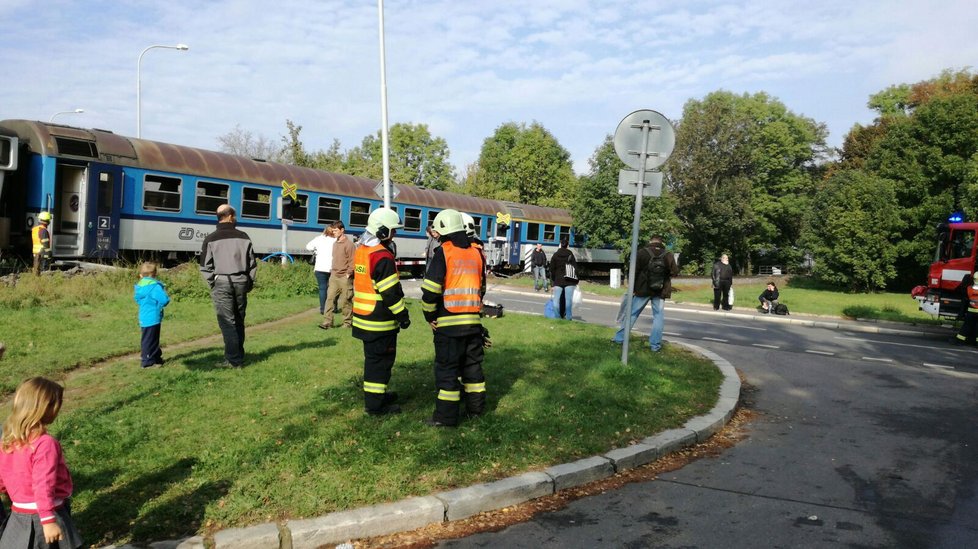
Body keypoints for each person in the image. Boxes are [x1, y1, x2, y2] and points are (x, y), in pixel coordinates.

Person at [0, 377, 84, 548]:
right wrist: (48, 520)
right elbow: (43, 483)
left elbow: (3, 476)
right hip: (47, 515)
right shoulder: (44, 443)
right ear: (46, 408)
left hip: (18, 515)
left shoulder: (8, 440)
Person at [421, 209, 487, 427]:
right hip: (473, 324)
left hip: (448, 325)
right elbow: (481, 288)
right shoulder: (477, 253)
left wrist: (429, 315)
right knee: (473, 369)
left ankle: (445, 418)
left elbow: (431, 290)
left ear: (442, 230)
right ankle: (475, 412)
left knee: (447, 371)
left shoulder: (444, 252)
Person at [352, 207, 411, 415]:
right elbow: (390, 293)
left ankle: (377, 396)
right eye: (393, 231)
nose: (395, 235)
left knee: (374, 361)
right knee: (380, 364)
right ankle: (376, 406)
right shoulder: (382, 256)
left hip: (362, 317)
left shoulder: (362, 250)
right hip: (379, 322)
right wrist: (403, 316)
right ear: (383, 231)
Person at [199, 204, 258, 368]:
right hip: (241, 282)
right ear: (231, 216)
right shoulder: (244, 237)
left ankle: (233, 360)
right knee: (239, 320)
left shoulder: (210, 238)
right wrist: (249, 282)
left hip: (222, 282)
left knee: (227, 322)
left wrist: (213, 282)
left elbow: (205, 266)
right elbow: (252, 264)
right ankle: (238, 355)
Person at [612, 235, 679, 351]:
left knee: (632, 314)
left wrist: (632, 288)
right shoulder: (668, 255)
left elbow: (634, 271)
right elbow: (675, 272)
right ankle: (655, 345)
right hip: (660, 290)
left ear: (650, 241)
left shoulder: (642, 252)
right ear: (662, 242)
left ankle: (620, 338)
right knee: (658, 316)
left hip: (642, 289)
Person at [134, 261, 171, 368]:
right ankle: (147, 362)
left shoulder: (139, 286)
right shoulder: (155, 287)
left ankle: (156, 358)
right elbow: (164, 300)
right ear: (154, 274)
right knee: (150, 340)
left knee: (150, 339)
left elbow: (137, 299)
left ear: (141, 274)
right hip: (153, 316)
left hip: (144, 316)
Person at [322, 221, 355, 329]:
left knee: (346, 300)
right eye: (333, 231)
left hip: (345, 277)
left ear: (342, 230)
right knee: (329, 299)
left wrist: (348, 274)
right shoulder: (335, 243)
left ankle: (347, 323)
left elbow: (353, 261)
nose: (334, 233)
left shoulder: (349, 245)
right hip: (334, 276)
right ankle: (327, 322)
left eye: (335, 231)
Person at [306, 225, 337, 317]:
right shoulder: (335, 240)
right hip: (332, 268)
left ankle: (323, 309)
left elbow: (308, 247)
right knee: (333, 288)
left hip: (319, 268)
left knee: (322, 288)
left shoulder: (318, 239)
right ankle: (333, 307)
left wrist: (316, 249)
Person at [549, 237, 578, 319]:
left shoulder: (555, 255)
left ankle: (557, 317)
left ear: (560, 245)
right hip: (569, 280)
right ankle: (568, 317)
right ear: (567, 246)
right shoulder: (570, 254)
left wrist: (553, 281)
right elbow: (575, 268)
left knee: (556, 300)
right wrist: (576, 281)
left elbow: (551, 269)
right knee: (568, 301)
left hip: (558, 280)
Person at [953, 272, 978, 345]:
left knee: (966, 326)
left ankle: (959, 341)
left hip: (971, 313)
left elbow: (965, 295)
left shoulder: (969, 289)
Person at [31, 211, 53, 276]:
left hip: (35, 252)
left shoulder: (35, 229)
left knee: (36, 271)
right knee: (43, 272)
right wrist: (49, 255)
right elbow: (45, 244)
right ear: (47, 221)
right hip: (42, 254)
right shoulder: (43, 230)